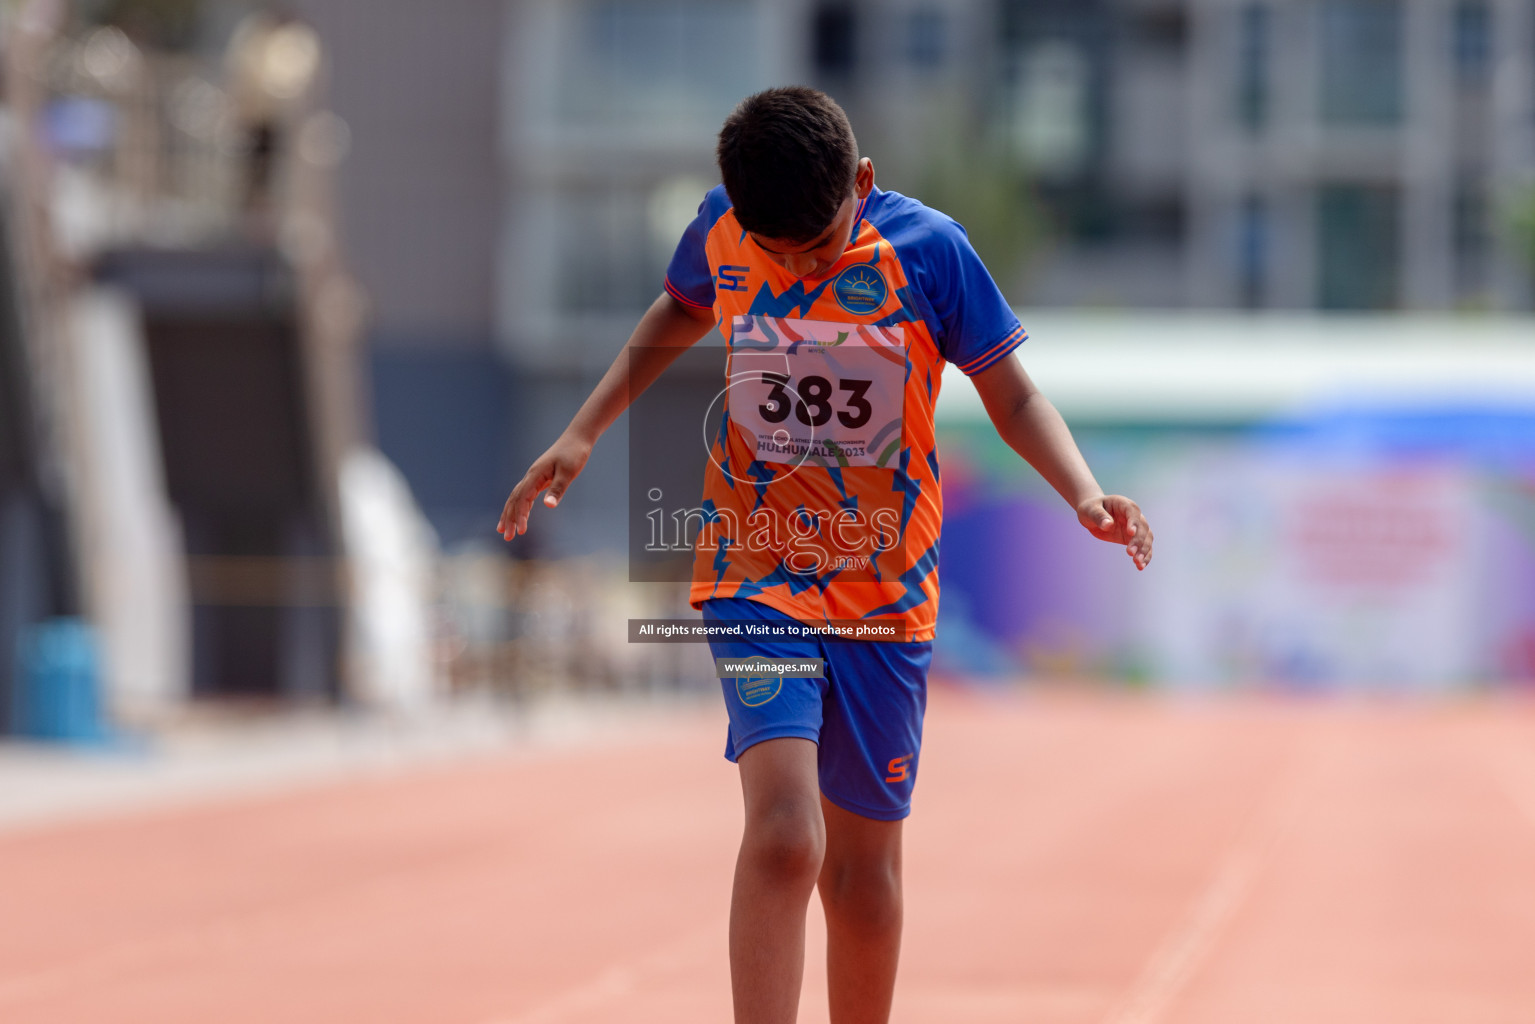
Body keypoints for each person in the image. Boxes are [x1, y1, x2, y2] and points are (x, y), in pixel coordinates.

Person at [497, 86, 1153, 1024]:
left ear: (865, 181)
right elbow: (677, 311)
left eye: (819, 246)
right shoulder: (725, 225)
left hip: (885, 590)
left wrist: (1082, 492)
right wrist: (583, 430)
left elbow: (1012, 396)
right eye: (779, 254)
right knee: (783, 839)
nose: (798, 266)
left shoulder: (930, 253)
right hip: (754, 570)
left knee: (865, 877)